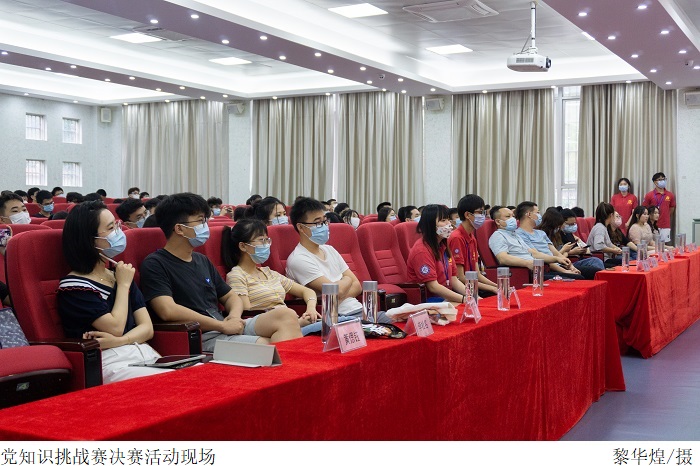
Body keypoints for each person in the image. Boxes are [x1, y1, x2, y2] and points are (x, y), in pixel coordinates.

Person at [140, 193, 301, 351]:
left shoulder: (201, 260)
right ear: (180, 229)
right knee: (267, 346)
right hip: (200, 335)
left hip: (224, 325)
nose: (205, 225)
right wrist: (221, 326)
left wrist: (234, 317)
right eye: (200, 221)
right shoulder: (155, 264)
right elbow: (167, 310)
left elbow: (231, 297)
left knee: (286, 315)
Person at [56, 201, 165, 384]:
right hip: (109, 361)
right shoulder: (74, 286)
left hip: (142, 352)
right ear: (89, 240)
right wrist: (123, 286)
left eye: (116, 225)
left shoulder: (119, 274)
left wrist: (120, 340)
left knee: (199, 378)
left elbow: (147, 329)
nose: (118, 233)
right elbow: (116, 327)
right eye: (110, 228)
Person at [285, 197, 392, 323]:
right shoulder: (298, 259)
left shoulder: (329, 249)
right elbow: (337, 291)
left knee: (397, 320)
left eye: (325, 221)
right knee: (389, 325)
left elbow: (357, 286)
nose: (324, 226)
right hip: (336, 316)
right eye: (317, 223)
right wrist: (346, 280)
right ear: (301, 227)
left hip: (358, 309)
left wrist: (339, 291)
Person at [221, 219, 320, 328]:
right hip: (272, 329)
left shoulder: (268, 273)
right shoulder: (236, 276)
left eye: (267, 240)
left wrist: (311, 309)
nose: (266, 245)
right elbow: (247, 315)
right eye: (261, 240)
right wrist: (296, 323)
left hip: (293, 323)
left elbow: (307, 291)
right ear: (243, 246)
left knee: (332, 324)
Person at [489, 206, 576, 279]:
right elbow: (503, 258)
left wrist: (557, 259)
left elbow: (534, 253)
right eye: (508, 216)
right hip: (523, 272)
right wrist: (527, 263)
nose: (512, 219)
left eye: (513, 216)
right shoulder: (498, 236)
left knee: (576, 277)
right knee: (576, 278)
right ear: (498, 221)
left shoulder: (514, 235)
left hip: (537, 270)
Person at [405, 204, 468, 302]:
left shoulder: (443, 245)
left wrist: (472, 296)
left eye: (448, 219)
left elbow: (454, 280)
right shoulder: (421, 250)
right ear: (431, 225)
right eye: (443, 220)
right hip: (427, 300)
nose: (449, 224)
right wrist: (464, 299)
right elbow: (433, 287)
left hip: (445, 298)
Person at [514, 202, 589, 279]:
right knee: (579, 278)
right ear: (529, 214)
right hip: (545, 268)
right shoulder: (519, 234)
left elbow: (555, 253)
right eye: (538, 212)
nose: (540, 216)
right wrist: (565, 270)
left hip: (558, 264)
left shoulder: (541, 233)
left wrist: (572, 267)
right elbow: (536, 255)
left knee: (591, 271)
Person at [448, 195, 497, 296]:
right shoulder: (457, 238)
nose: (483, 216)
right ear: (467, 215)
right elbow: (461, 277)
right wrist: (492, 288)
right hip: (461, 289)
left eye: (484, 212)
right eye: (480, 212)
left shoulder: (472, 237)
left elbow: (477, 274)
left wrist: (497, 286)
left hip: (472, 285)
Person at [539, 208, 605, 276]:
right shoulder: (545, 236)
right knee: (594, 266)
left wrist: (571, 253)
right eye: (570, 224)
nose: (559, 228)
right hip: (561, 265)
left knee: (596, 262)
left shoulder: (562, 234)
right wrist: (566, 251)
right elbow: (553, 258)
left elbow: (562, 255)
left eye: (574, 224)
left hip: (568, 262)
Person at [587, 202, 624, 267]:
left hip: (604, 258)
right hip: (600, 260)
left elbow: (609, 244)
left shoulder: (603, 227)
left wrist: (616, 248)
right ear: (611, 215)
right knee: (623, 262)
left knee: (624, 260)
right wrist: (614, 251)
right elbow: (599, 246)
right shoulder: (600, 228)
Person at [642, 172, 676, 243]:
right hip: (652, 225)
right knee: (652, 244)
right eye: (660, 180)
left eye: (663, 179)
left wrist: (665, 216)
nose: (662, 181)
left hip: (665, 224)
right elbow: (644, 209)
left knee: (664, 244)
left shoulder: (670, 195)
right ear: (655, 182)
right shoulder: (649, 195)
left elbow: (672, 208)